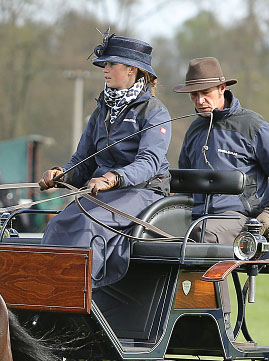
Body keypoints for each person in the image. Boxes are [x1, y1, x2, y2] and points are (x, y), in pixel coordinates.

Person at [39, 33, 171, 288]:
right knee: (58, 226)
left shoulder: (155, 112)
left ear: (132, 69)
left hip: (144, 191)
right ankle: (47, 295)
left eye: (111, 64)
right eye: (105, 64)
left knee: (90, 224)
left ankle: (78, 298)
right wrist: (61, 174)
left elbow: (150, 162)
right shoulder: (102, 111)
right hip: (107, 193)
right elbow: (83, 161)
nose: (105, 70)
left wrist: (115, 177)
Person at [173, 57, 269, 243]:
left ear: (222, 88)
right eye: (193, 95)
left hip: (241, 218)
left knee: (201, 233)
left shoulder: (253, 126)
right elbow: (183, 186)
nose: (199, 100)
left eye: (205, 92)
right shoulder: (194, 130)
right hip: (195, 217)